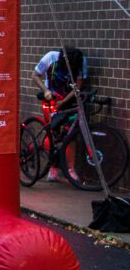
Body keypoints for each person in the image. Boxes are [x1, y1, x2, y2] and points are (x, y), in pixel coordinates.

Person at [31, 46, 87, 182]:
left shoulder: (81, 61)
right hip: (51, 99)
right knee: (53, 134)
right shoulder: (51, 57)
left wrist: (64, 102)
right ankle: (53, 168)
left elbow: (79, 85)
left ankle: (71, 170)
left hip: (68, 100)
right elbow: (35, 75)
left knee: (71, 135)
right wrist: (45, 90)